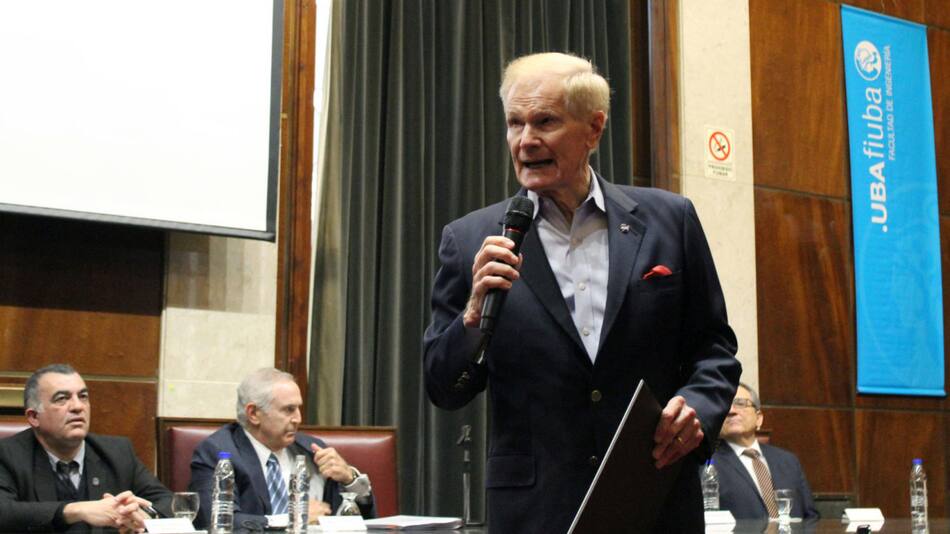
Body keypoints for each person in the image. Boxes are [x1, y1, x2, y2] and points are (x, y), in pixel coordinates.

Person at [423, 52, 740, 533]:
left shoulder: (669, 221)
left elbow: (714, 350)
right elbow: (443, 388)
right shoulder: (469, 239)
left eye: (544, 122)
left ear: (593, 129)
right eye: (514, 124)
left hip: (655, 496)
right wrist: (471, 318)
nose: (525, 141)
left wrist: (699, 405)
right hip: (537, 511)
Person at [189, 367, 375, 529]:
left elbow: (365, 520)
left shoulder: (313, 451)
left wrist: (350, 479)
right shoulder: (217, 453)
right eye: (288, 410)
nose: (298, 419)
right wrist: (290, 519)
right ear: (253, 413)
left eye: (298, 409)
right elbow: (217, 521)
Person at [0, 364, 172, 532]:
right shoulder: (8, 455)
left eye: (83, 396)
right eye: (62, 398)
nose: (77, 406)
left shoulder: (117, 452)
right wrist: (76, 510)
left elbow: (169, 502)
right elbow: (5, 512)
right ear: (34, 417)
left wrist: (143, 516)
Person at [713, 382, 818, 520]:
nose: (731, 410)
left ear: (759, 418)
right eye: (725, 405)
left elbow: (811, 517)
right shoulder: (706, 464)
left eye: (740, 403)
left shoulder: (788, 461)